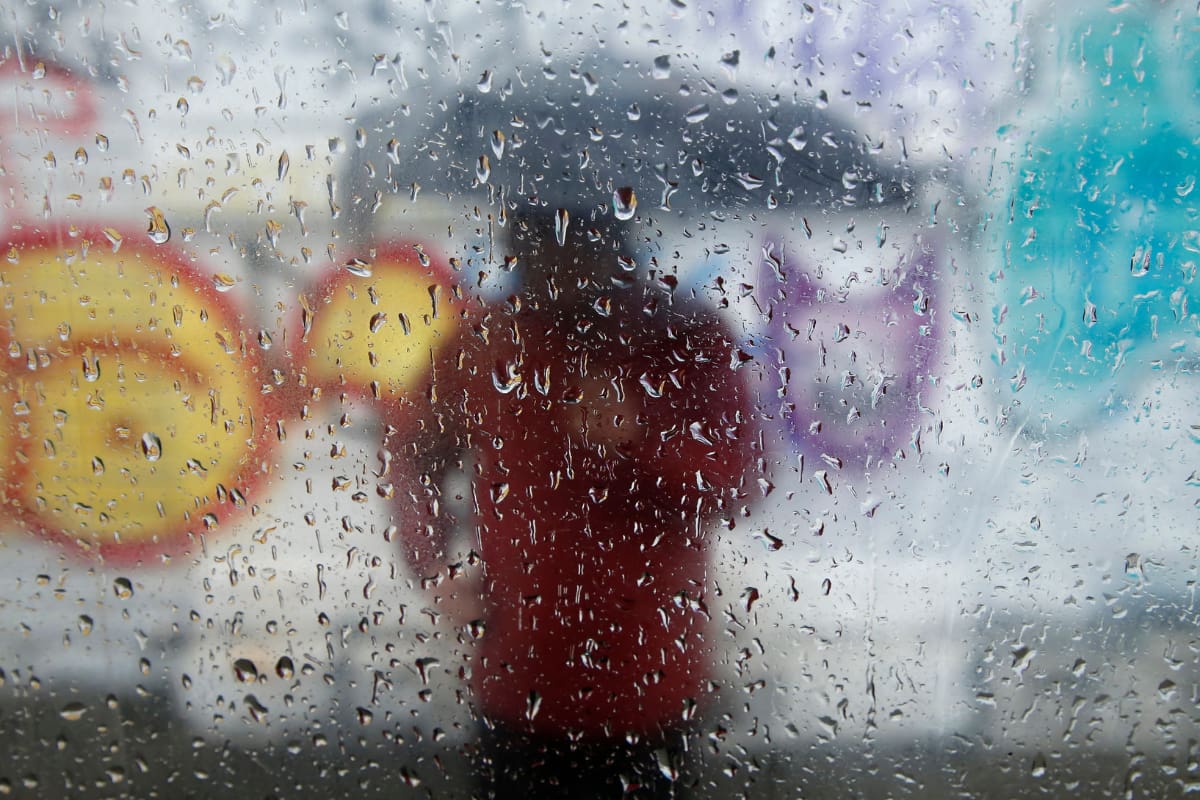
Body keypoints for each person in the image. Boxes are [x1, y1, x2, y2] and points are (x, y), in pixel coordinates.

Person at [393, 208, 757, 798]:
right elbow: (413, 452)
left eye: (567, 249)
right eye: (529, 255)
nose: (546, 274)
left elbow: (738, 483)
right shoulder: (492, 339)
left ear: (614, 248)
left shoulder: (686, 341)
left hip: (649, 685)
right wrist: (434, 566)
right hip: (520, 681)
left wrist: (642, 436)